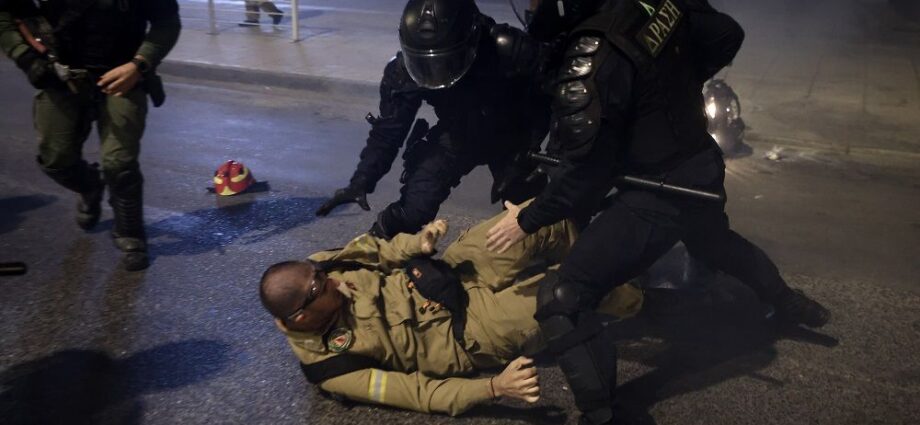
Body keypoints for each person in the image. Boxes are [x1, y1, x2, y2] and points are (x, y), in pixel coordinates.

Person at [483, 1, 831, 424]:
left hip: (660, 192)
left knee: (563, 296)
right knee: (712, 243)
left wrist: (526, 220)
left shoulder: (592, 52)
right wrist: (670, 90)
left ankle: (603, 414)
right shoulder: (643, 6)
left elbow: (584, 177)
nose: (532, 6)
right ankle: (787, 302)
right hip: (699, 166)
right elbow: (727, 34)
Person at [259, 206, 644, 416]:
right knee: (565, 294)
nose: (331, 280)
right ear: (301, 317)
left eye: (321, 275)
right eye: (320, 287)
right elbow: (419, 393)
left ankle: (617, 264)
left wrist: (418, 243)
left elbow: (377, 251)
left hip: (450, 274)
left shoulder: (318, 268)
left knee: (539, 218)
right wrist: (495, 387)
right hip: (470, 330)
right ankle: (640, 302)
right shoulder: (333, 369)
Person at [314, 0, 553, 240]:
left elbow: (555, 98)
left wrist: (537, 148)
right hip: (457, 133)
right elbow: (389, 131)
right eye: (425, 64)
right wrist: (361, 181)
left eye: (443, 62)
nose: (434, 71)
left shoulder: (509, 48)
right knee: (414, 209)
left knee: (526, 210)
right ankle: (376, 244)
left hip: (512, 133)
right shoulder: (405, 69)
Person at [0, 0, 181, 271]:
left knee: (119, 163)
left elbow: (167, 21)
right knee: (56, 159)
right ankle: (89, 187)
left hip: (122, 77)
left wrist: (139, 64)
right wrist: (25, 57)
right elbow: (5, 16)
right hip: (61, 78)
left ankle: (130, 232)